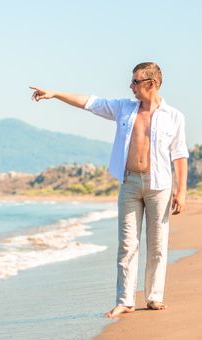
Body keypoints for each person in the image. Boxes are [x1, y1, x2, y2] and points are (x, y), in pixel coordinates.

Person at [29, 62, 189, 318]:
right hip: (129, 183)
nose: (131, 86)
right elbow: (89, 102)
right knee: (127, 244)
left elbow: (180, 155)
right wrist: (55, 94)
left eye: (135, 82)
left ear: (151, 84)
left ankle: (153, 297)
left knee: (157, 245)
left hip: (160, 186)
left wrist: (181, 192)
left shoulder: (174, 116)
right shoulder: (124, 108)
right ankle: (124, 300)